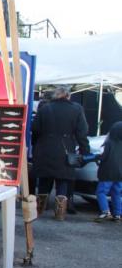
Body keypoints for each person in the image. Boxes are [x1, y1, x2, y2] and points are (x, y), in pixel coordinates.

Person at [31, 85, 89, 220]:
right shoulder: (77, 109)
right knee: (63, 181)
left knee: (45, 180)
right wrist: (84, 150)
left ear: (55, 95)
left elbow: (35, 129)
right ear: (68, 96)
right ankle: (60, 213)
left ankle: (39, 210)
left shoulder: (45, 108)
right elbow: (82, 132)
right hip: (66, 150)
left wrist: (36, 146)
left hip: (45, 148)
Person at [94, 121, 122, 222]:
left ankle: (105, 212)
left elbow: (101, 156)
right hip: (120, 174)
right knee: (117, 193)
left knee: (101, 192)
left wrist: (96, 158)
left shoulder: (108, 143)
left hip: (107, 173)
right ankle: (118, 214)